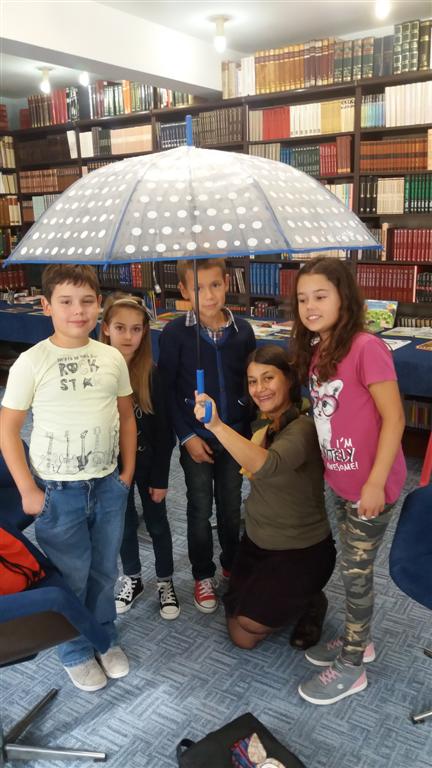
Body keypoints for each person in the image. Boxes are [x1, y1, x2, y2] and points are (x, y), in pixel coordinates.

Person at [0, 265, 137, 693]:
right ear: (46, 306)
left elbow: (126, 416)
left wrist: (127, 473)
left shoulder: (111, 357)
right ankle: (75, 649)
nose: (78, 310)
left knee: (104, 571)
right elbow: (7, 429)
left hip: (108, 485)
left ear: (99, 306)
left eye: (86, 301)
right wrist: (27, 489)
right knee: (71, 574)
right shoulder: (31, 362)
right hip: (58, 493)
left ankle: (104, 634)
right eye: (66, 301)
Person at [291, 256, 407, 706]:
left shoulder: (366, 347)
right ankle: (363, 639)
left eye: (320, 296)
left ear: (344, 297)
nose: (310, 306)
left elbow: (394, 418)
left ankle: (354, 664)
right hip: (341, 480)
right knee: (351, 567)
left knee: (356, 575)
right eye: (303, 298)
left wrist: (375, 484)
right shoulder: (320, 348)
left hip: (371, 486)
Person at [193, 343, 336, 649]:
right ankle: (290, 597)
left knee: (244, 633)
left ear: (289, 379)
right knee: (236, 621)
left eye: (268, 378)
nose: (260, 389)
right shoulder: (264, 423)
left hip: (300, 551)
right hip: (257, 543)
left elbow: (266, 465)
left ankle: (312, 599)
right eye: (252, 381)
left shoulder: (304, 427)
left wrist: (216, 426)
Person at [158, 258, 256, 613]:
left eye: (215, 285)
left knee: (231, 505)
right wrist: (186, 436)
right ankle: (203, 573)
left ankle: (232, 564)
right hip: (197, 438)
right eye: (198, 288)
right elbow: (167, 390)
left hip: (233, 436)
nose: (209, 295)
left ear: (227, 283)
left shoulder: (242, 331)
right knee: (200, 507)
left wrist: (248, 429)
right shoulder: (175, 334)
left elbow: (250, 381)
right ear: (184, 291)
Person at [100, 293, 179, 620]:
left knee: (157, 524)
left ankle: (165, 580)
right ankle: (132, 577)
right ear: (106, 328)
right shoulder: (98, 372)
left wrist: (160, 478)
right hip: (111, 467)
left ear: (145, 332)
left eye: (136, 329)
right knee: (123, 524)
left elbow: (165, 433)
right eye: (120, 328)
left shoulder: (153, 375)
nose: (128, 336)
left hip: (148, 464)